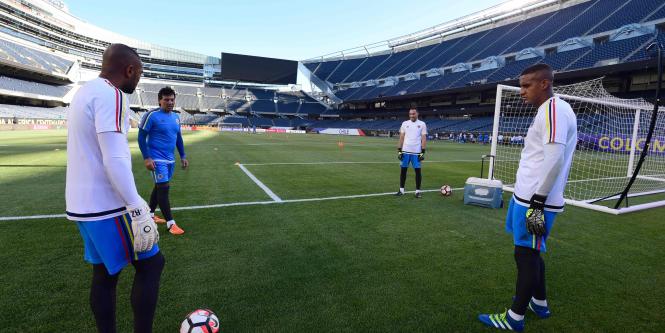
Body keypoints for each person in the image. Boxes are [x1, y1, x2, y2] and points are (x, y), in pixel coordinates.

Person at [66, 43, 164, 333]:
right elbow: (115, 157)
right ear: (129, 70)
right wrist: (137, 206)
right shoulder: (112, 94)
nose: (138, 81)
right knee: (152, 264)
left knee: (104, 275)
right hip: (108, 204)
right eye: (139, 74)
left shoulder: (85, 91)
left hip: (80, 205)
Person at [478, 63, 577, 331]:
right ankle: (539, 303)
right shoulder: (551, 109)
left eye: (526, 85)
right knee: (531, 252)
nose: (521, 91)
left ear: (544, 84)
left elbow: (555, 158)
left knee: (525, 255)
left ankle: (514, 318)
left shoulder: (554, 110)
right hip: (527, 198)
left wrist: (538, 200)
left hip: (535, 202)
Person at [138, 87, 188, 235]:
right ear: (159, 101)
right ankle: (171, 223)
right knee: (164, 188)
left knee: (159, 187)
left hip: (170, 160)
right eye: (166, 99)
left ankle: (150, 215)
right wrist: (147, 157)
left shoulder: (176, 117)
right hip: (156, 158)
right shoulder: (151, 115)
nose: (170, 102)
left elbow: (178, 138)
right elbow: (141, 137)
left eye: (172, 99)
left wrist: (183, 156)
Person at [395, 107, 427, 198]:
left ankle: (417, 192)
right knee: (403, 171)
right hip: (405, 151)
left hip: (416, 152)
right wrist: (399, 151)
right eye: (410, 114)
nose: (411, 115)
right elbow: (401, 137)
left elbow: (424, 138)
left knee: (418, 172)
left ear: (417, 114)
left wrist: (422, 152)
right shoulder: (405, 123)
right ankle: (401, 190)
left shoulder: (422, 124)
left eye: (413, 114)